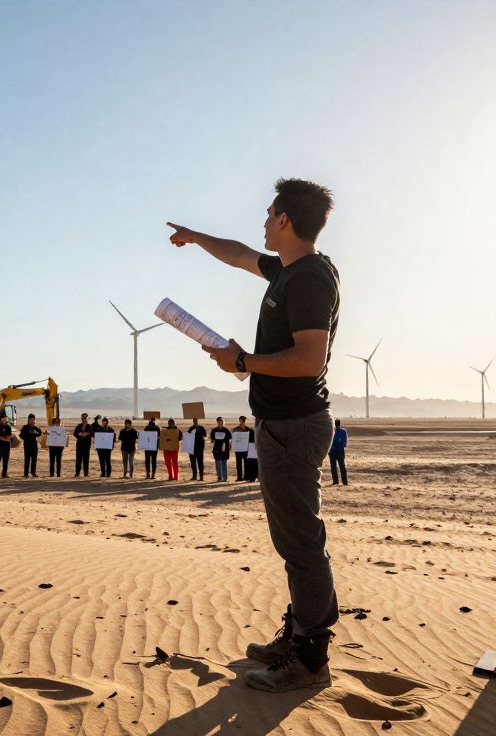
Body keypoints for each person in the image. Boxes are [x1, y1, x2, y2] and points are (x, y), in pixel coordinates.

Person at [169, 177, 340, 692]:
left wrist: (243, 361)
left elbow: (310, 360)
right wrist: (197, 237)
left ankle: (311, 657)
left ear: (285, 220)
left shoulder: (309, 277)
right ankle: (301, 634)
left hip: (295, 425)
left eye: (269, 214)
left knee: (302, 544)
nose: (263, 223)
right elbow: (242, 254)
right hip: (281, 425)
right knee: (294, 541)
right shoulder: (287, 270)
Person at [19, 414, 42, 478]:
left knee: (34, 460)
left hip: (34, 445)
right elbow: (21, 435)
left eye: (33, 420)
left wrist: (34, 433)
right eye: (30, 420)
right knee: (27, 460)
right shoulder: (25, 427)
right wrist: (28, 436)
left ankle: (33, 472)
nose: (32, 421)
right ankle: (26, 474)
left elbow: (39, 433)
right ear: (28, 420)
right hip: (27, 445)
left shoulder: (36, 428)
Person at [0, 414, 14, 479]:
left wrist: (7, 437)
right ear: (0, 420)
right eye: (3, 419)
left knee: (5, 460)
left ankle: (4, 474)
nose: (4, 420)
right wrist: (6, 437)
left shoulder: (8, 427)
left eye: (5, 419)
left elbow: (10, 436)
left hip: (7, 446)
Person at [211, 417, 232, 481]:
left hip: (225, 448)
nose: (220, 423)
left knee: (224, 462)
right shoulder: (214, 430)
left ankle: (225, 478)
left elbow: (230, 440)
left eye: (221, 421)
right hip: (217, 448)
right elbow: (212, 440)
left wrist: (229, 448)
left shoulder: (227, 430)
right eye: (219, 421)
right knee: (217, 463)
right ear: (217, 422)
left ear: (223, 422)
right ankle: (219, 478)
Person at [73, 413, 94, 477]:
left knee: (86, 460)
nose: (84, 419)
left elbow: (92, 434)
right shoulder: (78, 426)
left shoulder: (89, 426)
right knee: (78, 460)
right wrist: (80, 435)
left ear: (87, 418)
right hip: (79, 445)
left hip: (87, 445)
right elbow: (75, 433)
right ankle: (77, 473)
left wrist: (87, 434)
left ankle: (86, 474)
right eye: (83, 417)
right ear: (81, 418)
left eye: (85, 418)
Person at [233, 416, 253, 481]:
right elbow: (233, 439)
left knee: (247, 464)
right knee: (238, 464)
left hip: (246, 450)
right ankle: (239, 477)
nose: (241, 422)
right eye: (240, 420)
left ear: (245, 421)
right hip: (238, 450)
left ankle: (246, 477)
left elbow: (252, 440)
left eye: (243, 421)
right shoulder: (235, 429)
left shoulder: (249, 430)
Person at [329, 419, 348, 486]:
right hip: (340, 451)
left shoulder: (331, 431)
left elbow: (328, 442)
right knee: (342, 467)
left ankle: (335, 482)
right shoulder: (343, 431)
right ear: (339, 424)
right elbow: (345, 443)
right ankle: (345, 482)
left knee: (334, 467)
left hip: (332, 452)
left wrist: (332, 447)